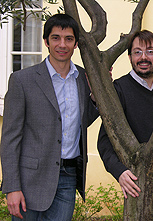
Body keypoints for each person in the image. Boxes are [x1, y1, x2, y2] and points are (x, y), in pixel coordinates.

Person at [0, 14, 99, 220]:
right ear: (46, 41)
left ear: (76, 44)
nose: (62, 44)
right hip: (29, 180)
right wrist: (12, 187)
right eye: (56, 38)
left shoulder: (83, 79)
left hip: (68, 178)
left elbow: (81, 121)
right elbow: (10, 138)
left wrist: (97, 95)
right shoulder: (22, 81)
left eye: (68, 39)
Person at [97, 30, 153, 221]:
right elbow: (104, 141)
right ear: (129, 57)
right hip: (141, 188)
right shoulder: (118, 90)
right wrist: (119, 172)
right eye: (137, 52)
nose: (143, 57)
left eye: (150, 51)